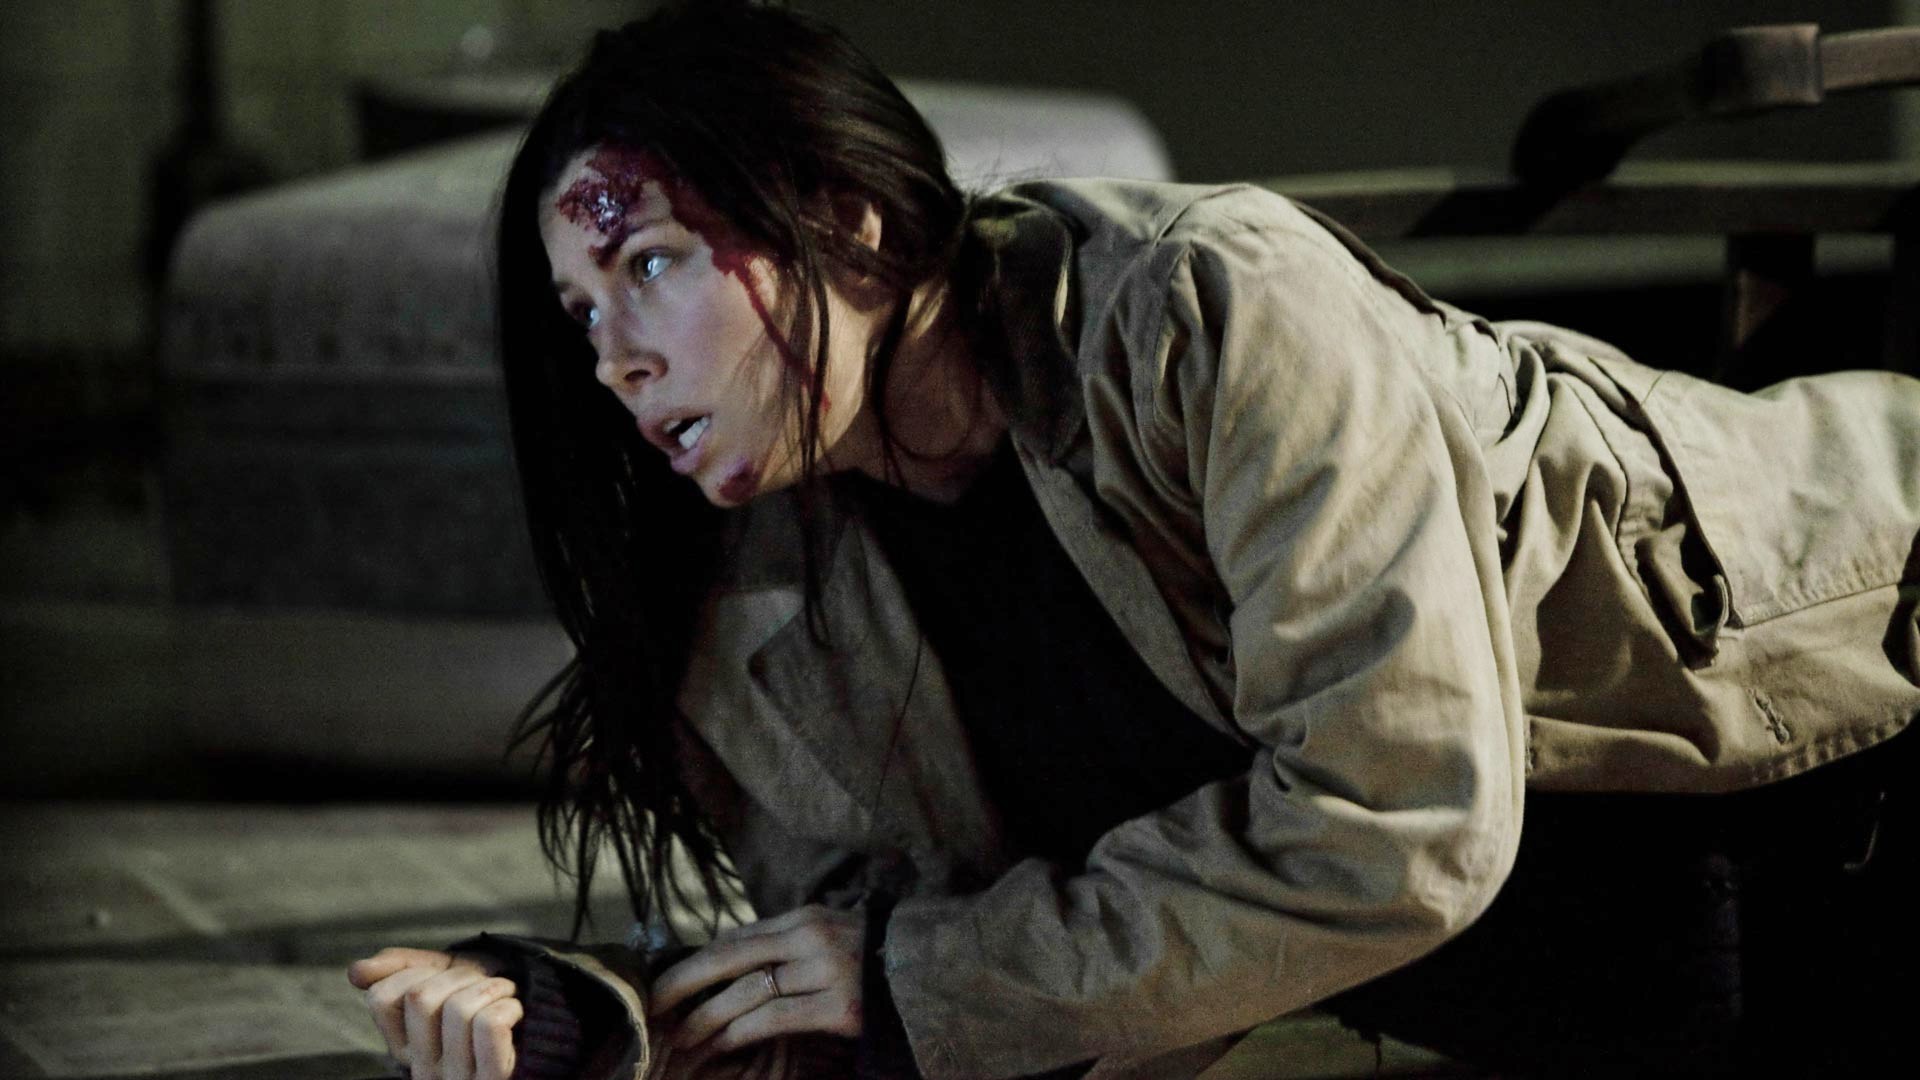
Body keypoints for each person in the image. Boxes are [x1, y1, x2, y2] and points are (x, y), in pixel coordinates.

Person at [346, 3, 1920, 1077]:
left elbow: (1395, 817)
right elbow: (868, 965)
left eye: (653, 265)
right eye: (581, 312)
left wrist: (915, 982)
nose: (614, 361)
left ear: (847, 217)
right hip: (1621, 979)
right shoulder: (774, 579)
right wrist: (583, 1017)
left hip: (1847, 746)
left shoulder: (1209, 312)